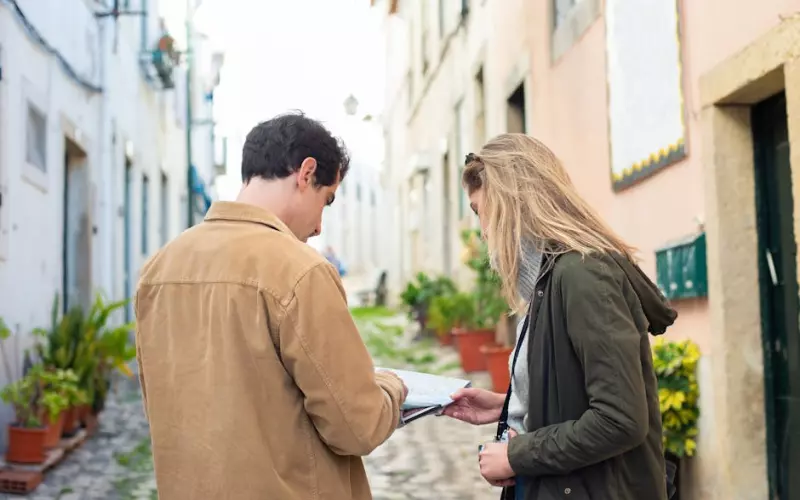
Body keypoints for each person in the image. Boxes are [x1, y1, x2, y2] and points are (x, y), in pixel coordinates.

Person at [135, 112, 407, 500]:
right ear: (306, 173)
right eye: (325, 201)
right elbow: (358, 426)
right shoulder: (301, 270)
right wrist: (390, 386)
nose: (318, 228)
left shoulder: (159, 269)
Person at [443, 134, 677, 500]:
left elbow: (620, 419)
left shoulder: (584, 276)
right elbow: (572, 388)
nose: (483, 231)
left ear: (510, 201)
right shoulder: (548, 278)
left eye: (479, 211)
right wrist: (507, 403)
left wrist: (518, 455)